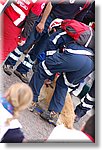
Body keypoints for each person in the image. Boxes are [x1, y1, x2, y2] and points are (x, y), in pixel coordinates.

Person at [3, 0, 92, 83]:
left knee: (40, 49)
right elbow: (50, 4)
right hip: (49, 17)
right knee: (28, 41)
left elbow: (77, 20)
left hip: (60, 26)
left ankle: (22, 70)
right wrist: (42, 22)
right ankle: (9, 63)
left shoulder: (87, 3)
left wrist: (63, 29)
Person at [27, 26, 94, 125]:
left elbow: (51, 45)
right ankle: (53, 113)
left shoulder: (60, 32)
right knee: (63, 83)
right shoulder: (84, 38)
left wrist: (49, 74)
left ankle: (31, 100)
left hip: (76, 57)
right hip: (89, 65)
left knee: (42, 68)